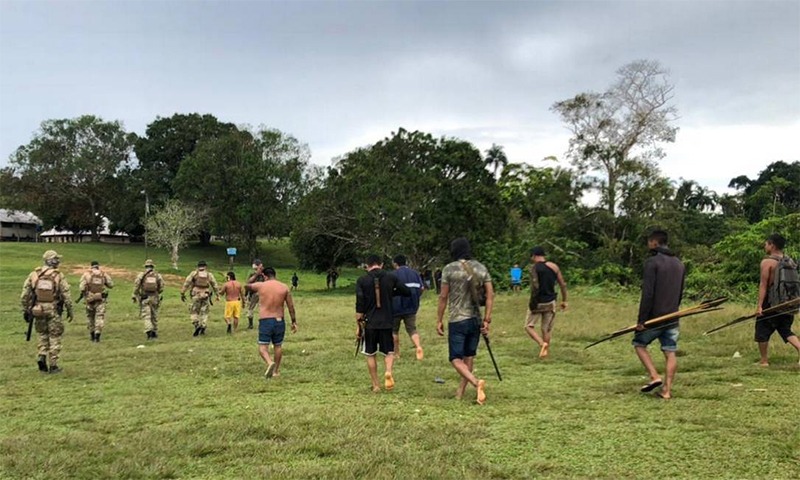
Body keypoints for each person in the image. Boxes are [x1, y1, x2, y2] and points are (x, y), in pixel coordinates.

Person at [436, 238, 493, 405]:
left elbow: (443, 296)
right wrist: (487, 319)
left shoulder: (449, 269)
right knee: (469, 355)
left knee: (455, 358)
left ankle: (476, 383)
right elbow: (490, 295)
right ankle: (460, 391)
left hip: (457, 318)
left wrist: (439, 319)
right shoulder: (481, 268)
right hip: (476, 319)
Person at [633, 230, 685, 400]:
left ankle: (654, 376)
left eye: (649, 242)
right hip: (673, 316)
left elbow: (648, 294)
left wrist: (642, 320)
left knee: (639, 343)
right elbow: (679, 293)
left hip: (655, 317)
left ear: (655, 242)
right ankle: (667, 391)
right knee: (670, 351)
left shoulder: (652, 263)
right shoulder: (679, 264)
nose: (649, 245)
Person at [356, 254, 411, 392]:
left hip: (370, 322)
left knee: (370, 353)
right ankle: (388, 371)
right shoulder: (391, 277)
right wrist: (390, 292)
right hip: (387, 320)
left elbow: (359, 304)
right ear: (381, 264)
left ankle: (375, 385)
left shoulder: (362, 280)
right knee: (389, 351)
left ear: (367, 266)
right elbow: (406, 291)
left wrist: (358, 325)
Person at [20, 250, 73, 374]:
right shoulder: (58, 275)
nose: (58, 261)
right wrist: (70, 310)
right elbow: (66, 295)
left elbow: (24, 295)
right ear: (51, 261)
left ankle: (42, 355)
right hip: (53, 309)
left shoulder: (34, 275)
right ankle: (53, 365)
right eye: (56, 259)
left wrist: (26, 310)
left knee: (42, 334)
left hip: (38, 309)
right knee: (54, 336)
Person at [755, 233, 800, 366]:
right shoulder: (790, 261)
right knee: (785, 329)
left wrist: (759, 306)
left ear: (772, 245)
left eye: (766, 244)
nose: (765, 246)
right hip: (788, 301)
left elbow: (764, 284)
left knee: (762, 329)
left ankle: (764, 361)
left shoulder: (767, 262)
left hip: (771, 301)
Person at [246, 266, 297, 378]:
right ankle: (276, 371)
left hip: (266, 320)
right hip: (279, 320)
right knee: (278, 346)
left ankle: (269, 363)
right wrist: (294, 321)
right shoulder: (284, 287)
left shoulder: (261, 285)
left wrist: (256, 275)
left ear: (264, 276)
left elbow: (246, 285)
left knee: (263, 347)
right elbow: (291, 307)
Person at [524, 247, 568, 358]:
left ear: (534, 256)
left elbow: (534, 287)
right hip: (550, 301)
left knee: (528, 326)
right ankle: (545, 352)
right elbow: (563, 284)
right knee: (546, 328)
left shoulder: (533, 268)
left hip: (538, 302)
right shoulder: (554, 266)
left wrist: (532, 302)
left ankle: (541, 344)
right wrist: (564, 300)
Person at [391, 254, 425, 360]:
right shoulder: (415, 273)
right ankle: (418, 346)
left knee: (394, 330)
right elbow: (422, 288)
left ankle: (396, 353)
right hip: (411, 306)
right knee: (412, 329)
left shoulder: (393, 275)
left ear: (395, 264)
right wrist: (416, 297)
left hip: (395, 307)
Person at [181, 260, 220, 336]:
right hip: (205, 294)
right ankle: (203, 325)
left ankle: (196, 323)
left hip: (196, 294)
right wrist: (217, 294)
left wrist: (182, 292)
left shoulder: (194, 273)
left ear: (198, 266)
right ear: (205, 266)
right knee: (204, 312)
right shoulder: (209, 275)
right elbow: (214, 285)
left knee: (194, 311)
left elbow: (187, 283)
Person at [78, 260, 114, 342]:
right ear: (98, 266)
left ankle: (92, 334)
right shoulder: (103, 274)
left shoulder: (86, 274)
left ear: (91, 266)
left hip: (89, 299)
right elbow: (111, 285)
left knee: (90, 317)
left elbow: (82, 287)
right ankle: (97, 336)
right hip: (100, 299)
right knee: (99, 317)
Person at [132, 259, 165, 340]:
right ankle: (154, 332)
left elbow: (136, 285)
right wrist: (157, 292)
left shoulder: (142, 275)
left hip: (145, 298)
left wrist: (134, 294)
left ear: (145, 266)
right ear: (153, 267)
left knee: (147, 316)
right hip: (155, 297)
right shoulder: (157, 275)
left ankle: (149, 331)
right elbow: (162, 287)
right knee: (154, 315)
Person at [246, 259, 265, 329]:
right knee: (250, 308)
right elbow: (248, 282)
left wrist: (262, 274)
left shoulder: (265, 273)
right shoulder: (252, 273)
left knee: (263, 308)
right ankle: (250, 324)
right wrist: (257, 274)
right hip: (253, 293)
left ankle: (262, 323)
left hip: (263, 293)